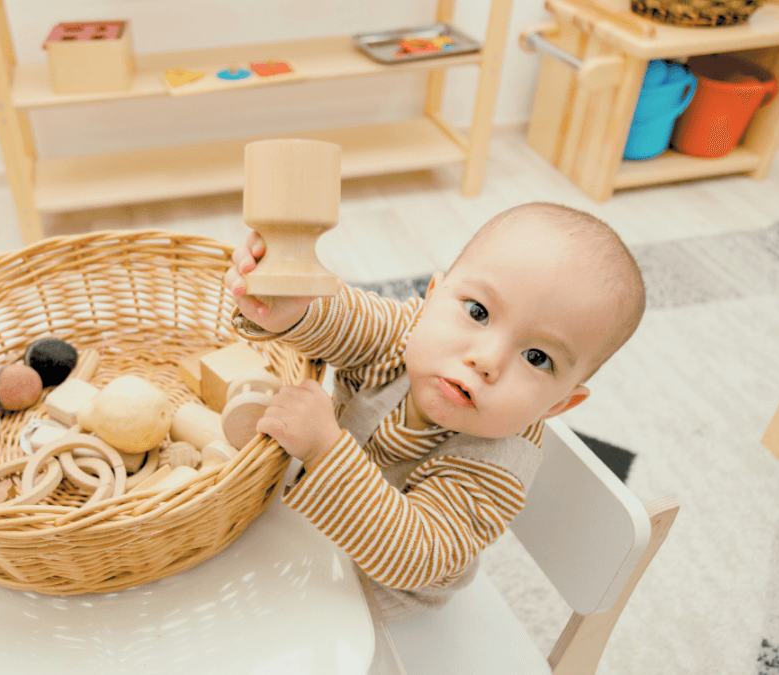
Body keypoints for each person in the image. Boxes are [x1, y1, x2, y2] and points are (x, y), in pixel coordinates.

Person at [222, 201, 646, 618]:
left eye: (537, 357)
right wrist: (293, 308)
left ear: (558, 404)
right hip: (312, 532)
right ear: (431, 298)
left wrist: (324, 451)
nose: (487, 359)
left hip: (375, 600)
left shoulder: (496, 467)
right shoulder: (410, 335)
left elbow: (414, 556)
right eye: (478, 312)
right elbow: (346, 319)